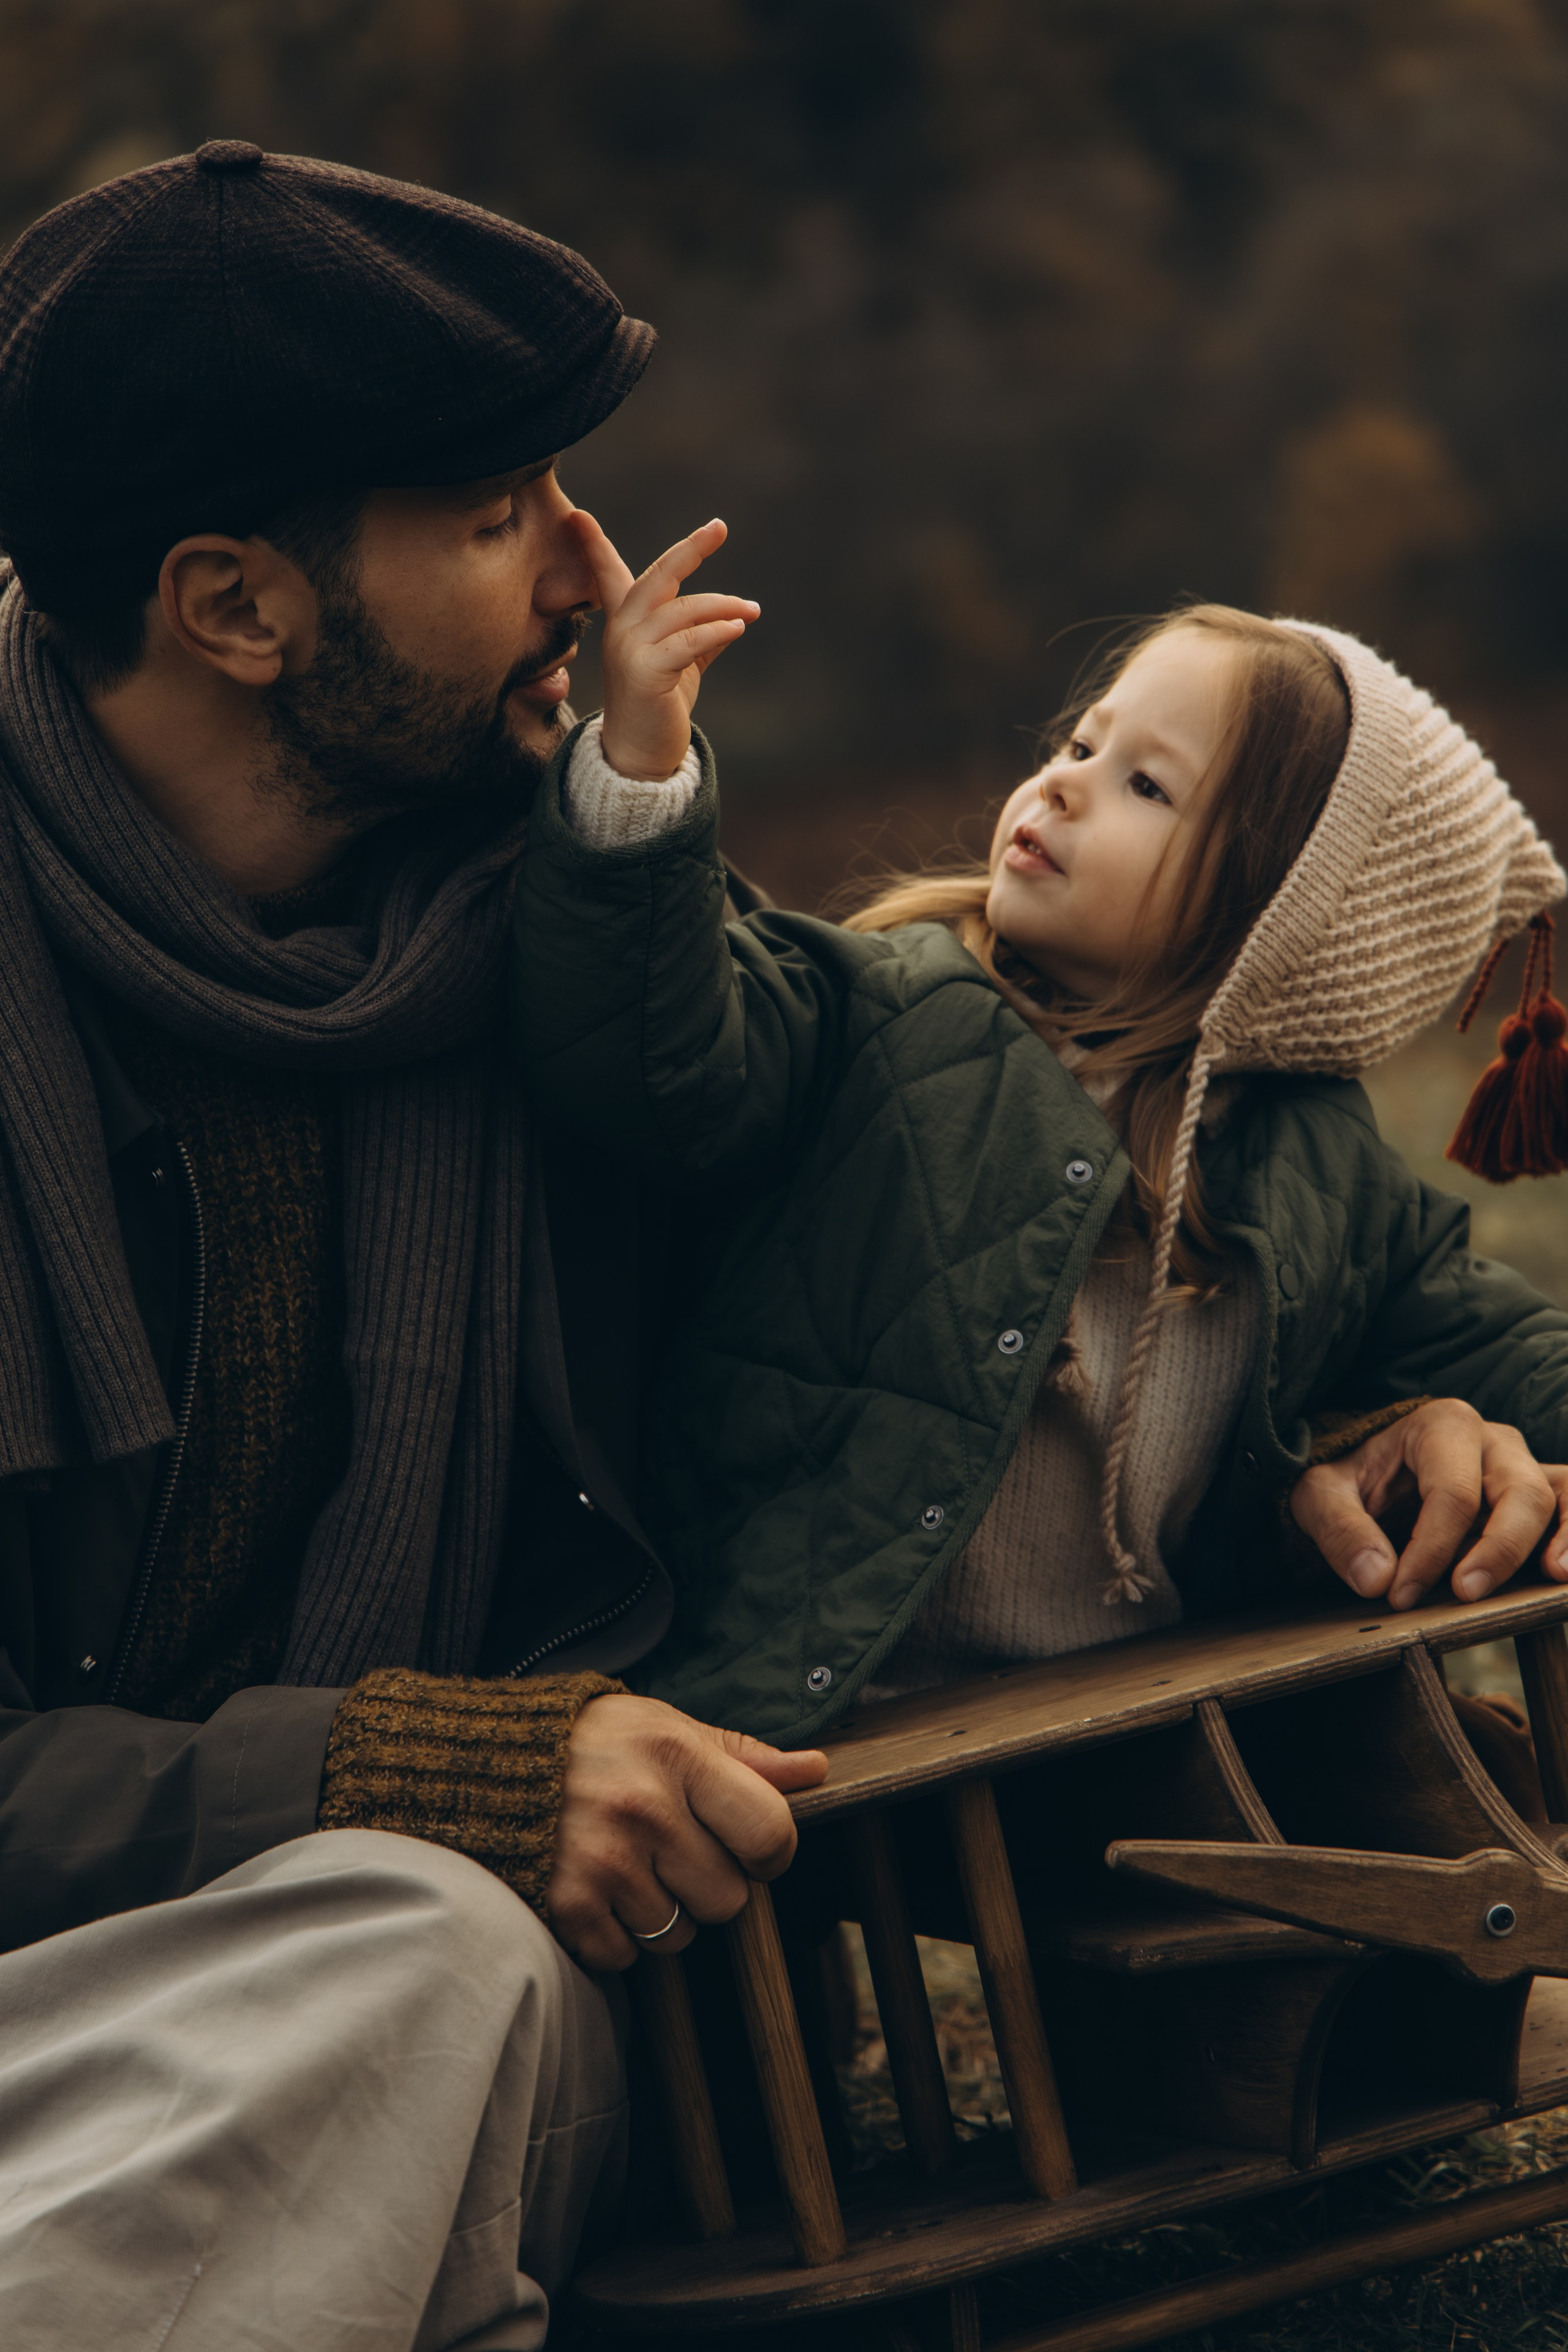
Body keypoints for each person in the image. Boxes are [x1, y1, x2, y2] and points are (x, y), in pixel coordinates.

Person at [0, 147, 825, 2351]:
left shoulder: (572, 931)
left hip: (379, 1998)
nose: (591, 569)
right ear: (238, 610)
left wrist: (1365, 1397)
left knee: (440, 1971)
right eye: (495, 518)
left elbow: (964, 1199)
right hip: (46, 2028)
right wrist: (412, 1763)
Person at [514, 517, 1568, 1754]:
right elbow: (648, 1055)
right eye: (1081, 741)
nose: (1062, 779)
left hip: (1141, 1725)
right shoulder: (869, 1012)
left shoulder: (1312, 1159)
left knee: (1446, 1792)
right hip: (819, 1718)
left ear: (1283, 919)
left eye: (1144, 786)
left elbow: (1488, 1339)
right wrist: (640, 772)